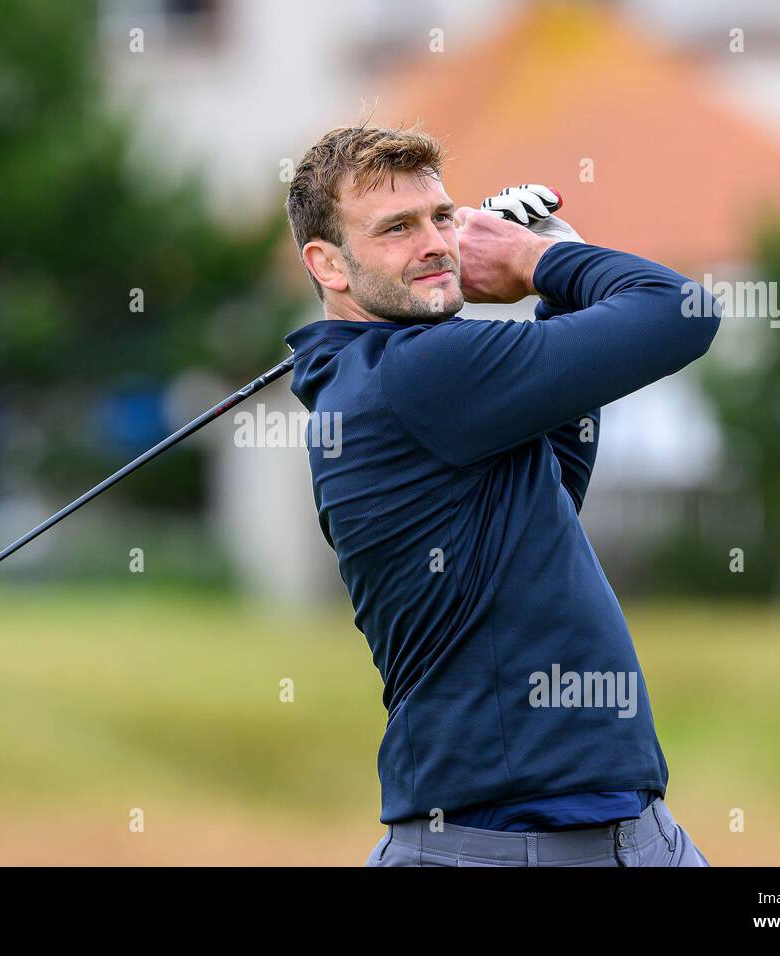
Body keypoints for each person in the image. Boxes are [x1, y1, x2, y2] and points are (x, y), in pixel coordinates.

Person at [282, 124, 718, 866]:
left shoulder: (391, 376)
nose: (435, 244)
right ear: (328, 265)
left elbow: (551, 495)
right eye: (396, 229)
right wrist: (541, 259)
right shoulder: (418, 371)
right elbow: (681, 312)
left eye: (442, 218)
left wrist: (555, 292)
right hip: (506, 844)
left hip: (625, 835)